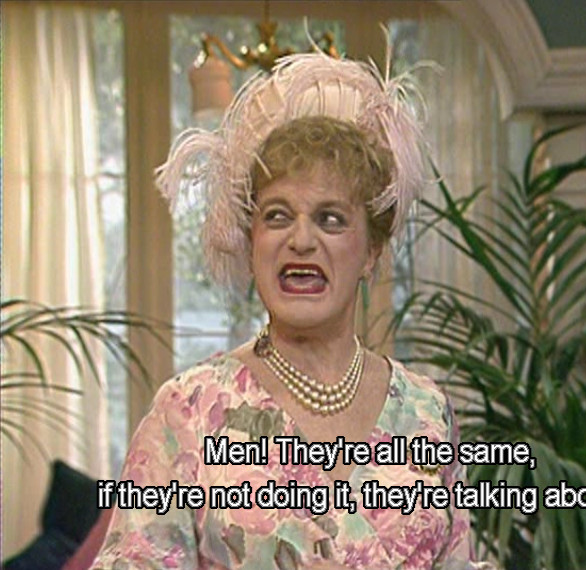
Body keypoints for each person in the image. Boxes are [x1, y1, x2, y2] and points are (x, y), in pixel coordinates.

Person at [92, 48, 491, 569]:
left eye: (330, 219)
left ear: (371, 251)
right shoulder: (188, 411)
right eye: (278, 216)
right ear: (252, 242)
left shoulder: (427, 413)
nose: (301, 240)